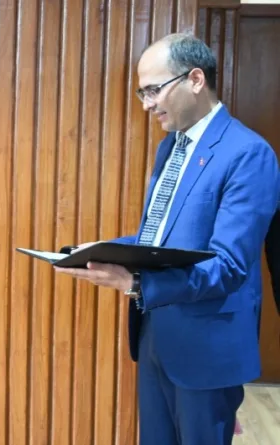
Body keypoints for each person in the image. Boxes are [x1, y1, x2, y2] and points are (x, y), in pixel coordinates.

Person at [54, 33, 280, 444]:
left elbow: (228, 265)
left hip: (207, 347)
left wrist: (137, 282)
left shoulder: (248, 153)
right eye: (143, 92)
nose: (146, 104)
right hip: (156, 333)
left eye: (154, 90)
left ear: (195, 79)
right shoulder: (170, 147)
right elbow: (159, 238)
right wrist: (99, 251)